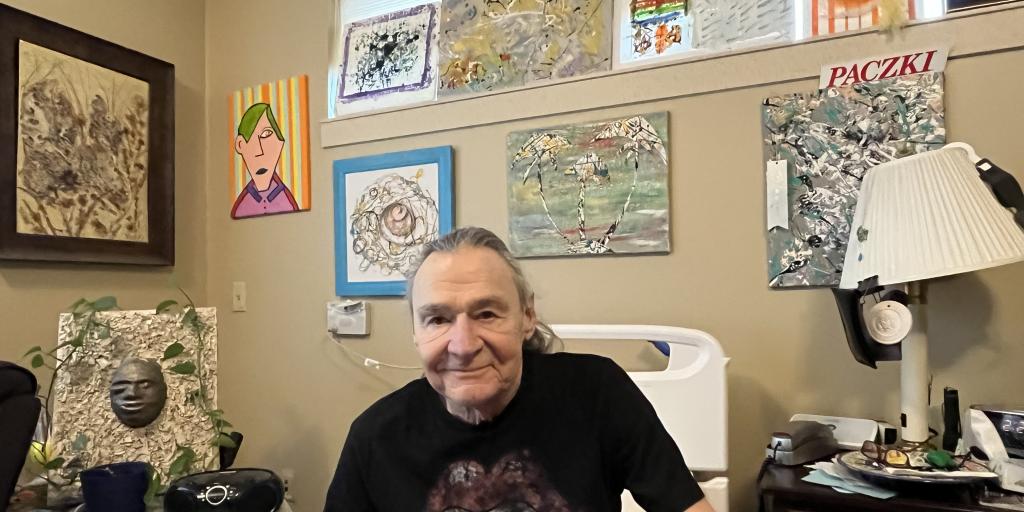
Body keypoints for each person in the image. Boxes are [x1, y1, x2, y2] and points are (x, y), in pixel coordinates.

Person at [325, 227, 715, 512]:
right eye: (438, 319)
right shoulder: (375, 439)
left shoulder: (597, 394)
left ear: (527, 316)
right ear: (415, 331)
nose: (463, 345)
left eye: (487, 313)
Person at [230, 102, 299, 219]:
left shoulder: (287, 200)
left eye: (266, 134)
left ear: (280, 142)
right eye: (250, 139)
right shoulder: (241, 205)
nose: (259, 151)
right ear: (240, 145)